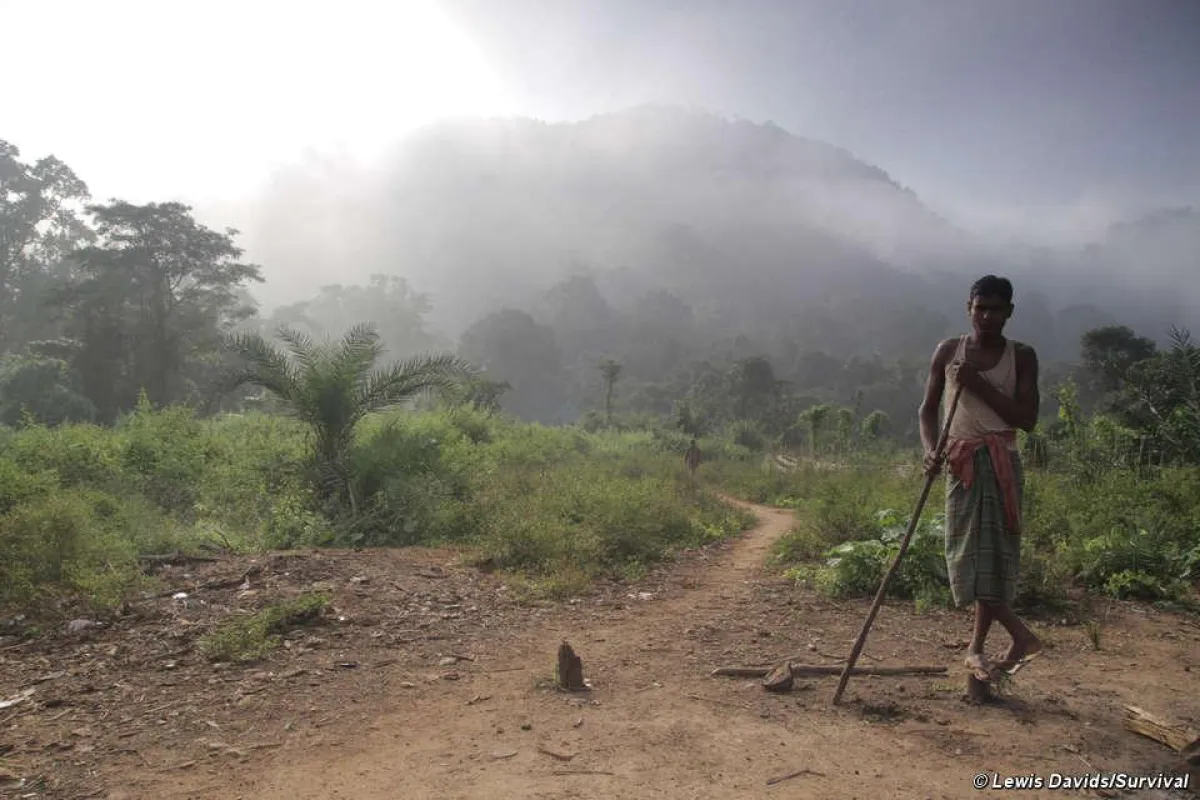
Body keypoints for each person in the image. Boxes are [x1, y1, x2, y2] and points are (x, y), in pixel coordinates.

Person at [918, 275, 1042, 682]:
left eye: (996, 309)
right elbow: (928, 411)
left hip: (1001, 462)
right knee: (965, 557)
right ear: (968, 308)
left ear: (1009, 312)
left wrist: (980, 385)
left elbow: (1027, 419)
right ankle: (1000, 642)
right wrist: (931, 450)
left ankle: (983, 648)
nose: (987, 316)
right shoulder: (948, 351)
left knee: (992, 558)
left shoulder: (1021, 355)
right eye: (980, 308)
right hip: (961, 463)